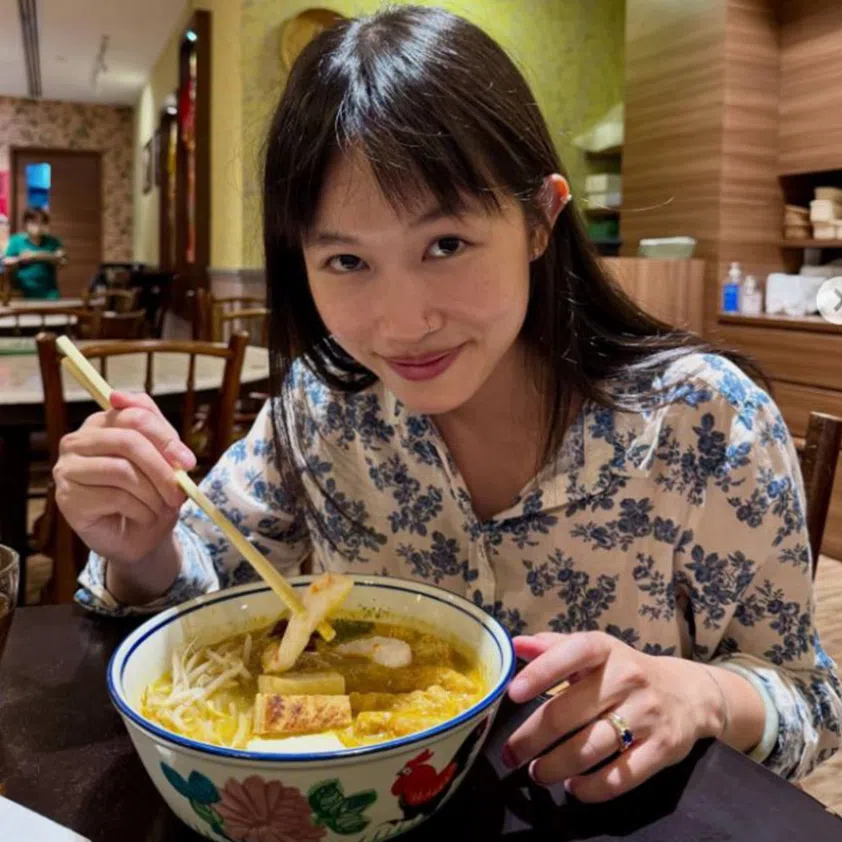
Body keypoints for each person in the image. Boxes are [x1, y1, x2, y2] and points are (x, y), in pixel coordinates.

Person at [55, 6, 840, 801]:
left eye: (446, 245)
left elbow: (810, 699)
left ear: (540, 218)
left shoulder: (704, 421)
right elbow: (202, 589)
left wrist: (701, 696)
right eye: (348, 260)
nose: (401, 324)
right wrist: (139, 544)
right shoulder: (325, 405)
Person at [2, 207, 66, 299]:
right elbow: (6, 261)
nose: (38, 226)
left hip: (49, 293)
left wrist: (35, 255)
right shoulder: (16, 240)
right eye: (34, 222)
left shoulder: (53, 241)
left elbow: (63, 261)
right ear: (25, 223)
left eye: (42, 222)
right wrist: (20, 259)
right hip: (22, 292)